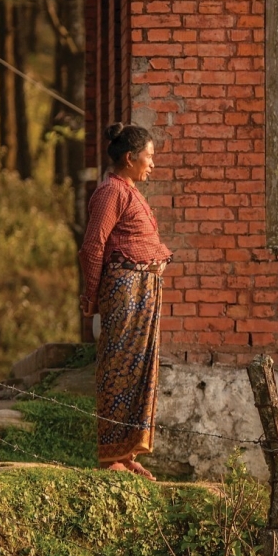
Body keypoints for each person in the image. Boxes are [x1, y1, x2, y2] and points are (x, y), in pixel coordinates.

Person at [79, 123, 171, 480]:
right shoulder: (110, 193)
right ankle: (110, 454)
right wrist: (91, 297)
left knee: (140, 370)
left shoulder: (129, 190)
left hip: (143, 292)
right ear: (130, 158)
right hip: (124, 293)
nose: (152, 164)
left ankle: (128, 450)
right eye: (149, 157)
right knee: (119, 369)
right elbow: (92, 247)